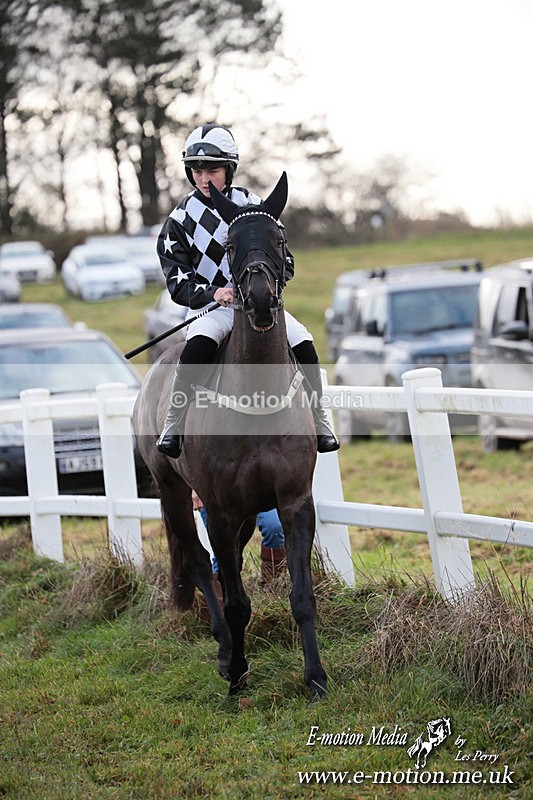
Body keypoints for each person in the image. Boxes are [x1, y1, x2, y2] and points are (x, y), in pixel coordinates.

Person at [155, 123, 339, 458]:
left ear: (229, 169)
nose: (203, 179)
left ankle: (320, 419)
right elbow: (177, 283)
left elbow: (286, 262)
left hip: (260, 304)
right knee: (197, 347)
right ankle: (174, 422)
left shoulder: (254, 205)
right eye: (196, 171)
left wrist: (265, 287)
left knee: (304, 342)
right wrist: (215, 293)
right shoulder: (179, 219)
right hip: (213, 311)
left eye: (212, 171)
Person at [192, 491, 286, 591]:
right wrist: (195, 489)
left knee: (274, 527)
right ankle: (223, 589)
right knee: (222, 541)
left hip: (260, 487)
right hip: (215, 489)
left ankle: (272, 584)